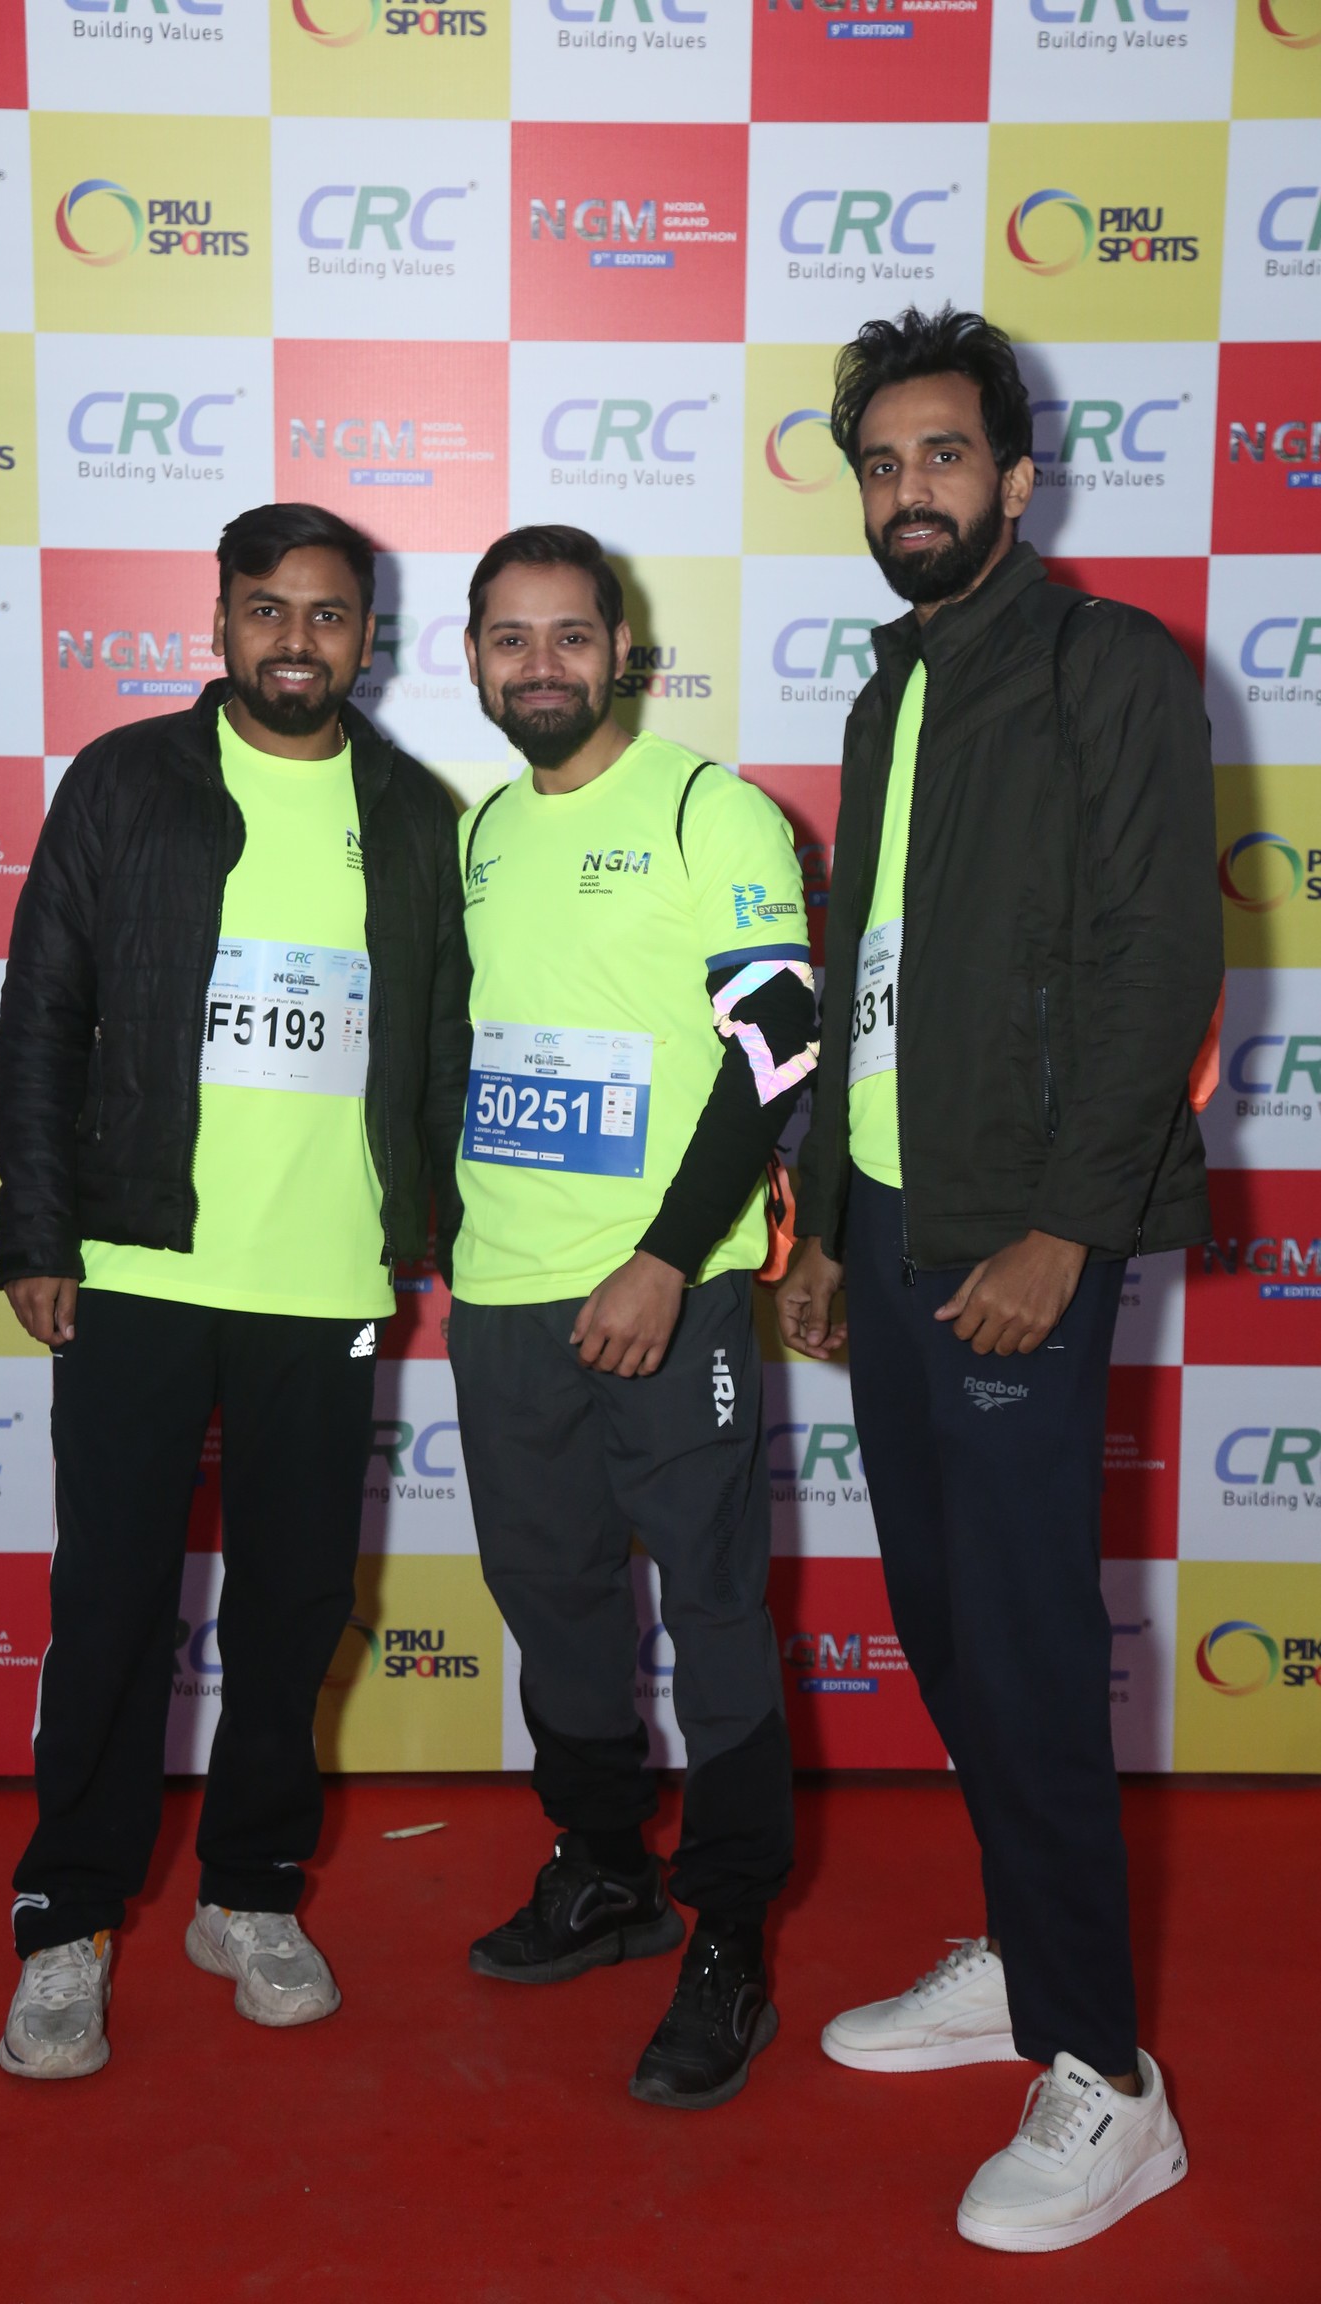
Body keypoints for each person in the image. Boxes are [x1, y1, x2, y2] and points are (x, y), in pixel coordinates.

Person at [776, 307, 1219, 2248]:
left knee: (1029, 1644)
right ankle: (1031, 1966)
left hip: (1021, 1233)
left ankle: (1109, 2078)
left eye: (943, 456)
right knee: (949, 1625)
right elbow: (862, 974)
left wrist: (1066, 1227)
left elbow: (1158, 960)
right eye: (882, 465)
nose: (910, 492)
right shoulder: (892, 694)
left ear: (1018, 479)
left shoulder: (1107, 667)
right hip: (891, 1222)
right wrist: (822, 1213)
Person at [0, 502, 469, 2078]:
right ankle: (67, 1919)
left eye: (328, 615)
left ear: (367, 638)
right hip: (137, 1260)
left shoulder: (410, 813)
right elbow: (43, 1012)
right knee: (112, 1602)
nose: (296, 640)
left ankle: (249, 1894)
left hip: (323, 1280)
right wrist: (39, 1230)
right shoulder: (126, 782)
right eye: (269, 609)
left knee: (292, 1609)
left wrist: (438, 1229)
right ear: (220, 622)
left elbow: (441, 1052)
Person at [449, 524, 818, 2108]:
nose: (541, 665)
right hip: (502, 1293)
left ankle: (728, 1937)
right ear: (475, 659)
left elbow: (779, 1044)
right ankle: (605, 1869)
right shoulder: (477, 831)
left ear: (623, 653)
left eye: (570, 636)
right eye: (510, 638)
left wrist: (667, 1258)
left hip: (671, 1293)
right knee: (556, 1607)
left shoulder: (706, 809)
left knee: (717, 1613)